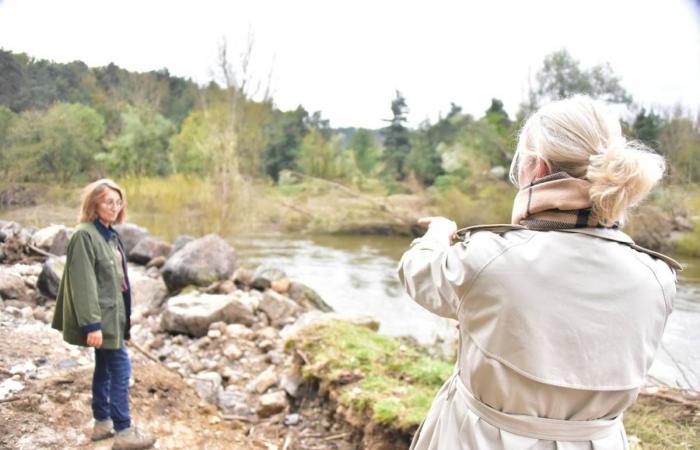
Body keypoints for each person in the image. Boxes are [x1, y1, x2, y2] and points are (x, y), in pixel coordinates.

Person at [398, 95, 680, 450]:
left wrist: (438, 233)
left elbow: (416, 273)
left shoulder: (487, 259)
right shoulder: (658, 277)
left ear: (538, 168)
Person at [52, 179, 156, 450]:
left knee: (105, 368)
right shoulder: (84, 235)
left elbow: (118, 281)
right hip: (102, 319)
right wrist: (92, 325)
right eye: (109, 201)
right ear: (94, 204)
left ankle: (102, 423)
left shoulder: (110, 234)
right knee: (121, 368)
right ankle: (123, 431)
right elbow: (83, 283)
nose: (115, 207)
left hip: (115, 315)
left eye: (118, 202)